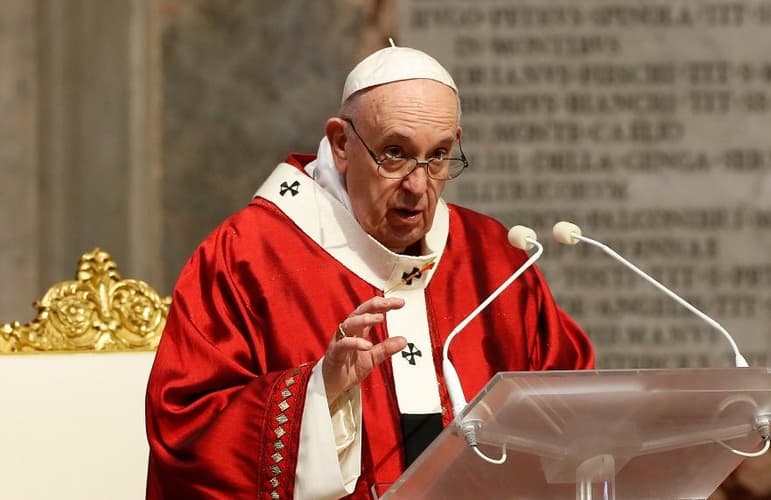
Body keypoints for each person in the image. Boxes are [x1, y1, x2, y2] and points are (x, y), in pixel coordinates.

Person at [145, 43, 594, 499]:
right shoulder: (247, 256)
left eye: (438, 155)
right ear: (342, 144)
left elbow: (576, 414)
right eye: (395, 153)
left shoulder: (493, 257)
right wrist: (320, 393)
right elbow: (187, 433)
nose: (418, 187)